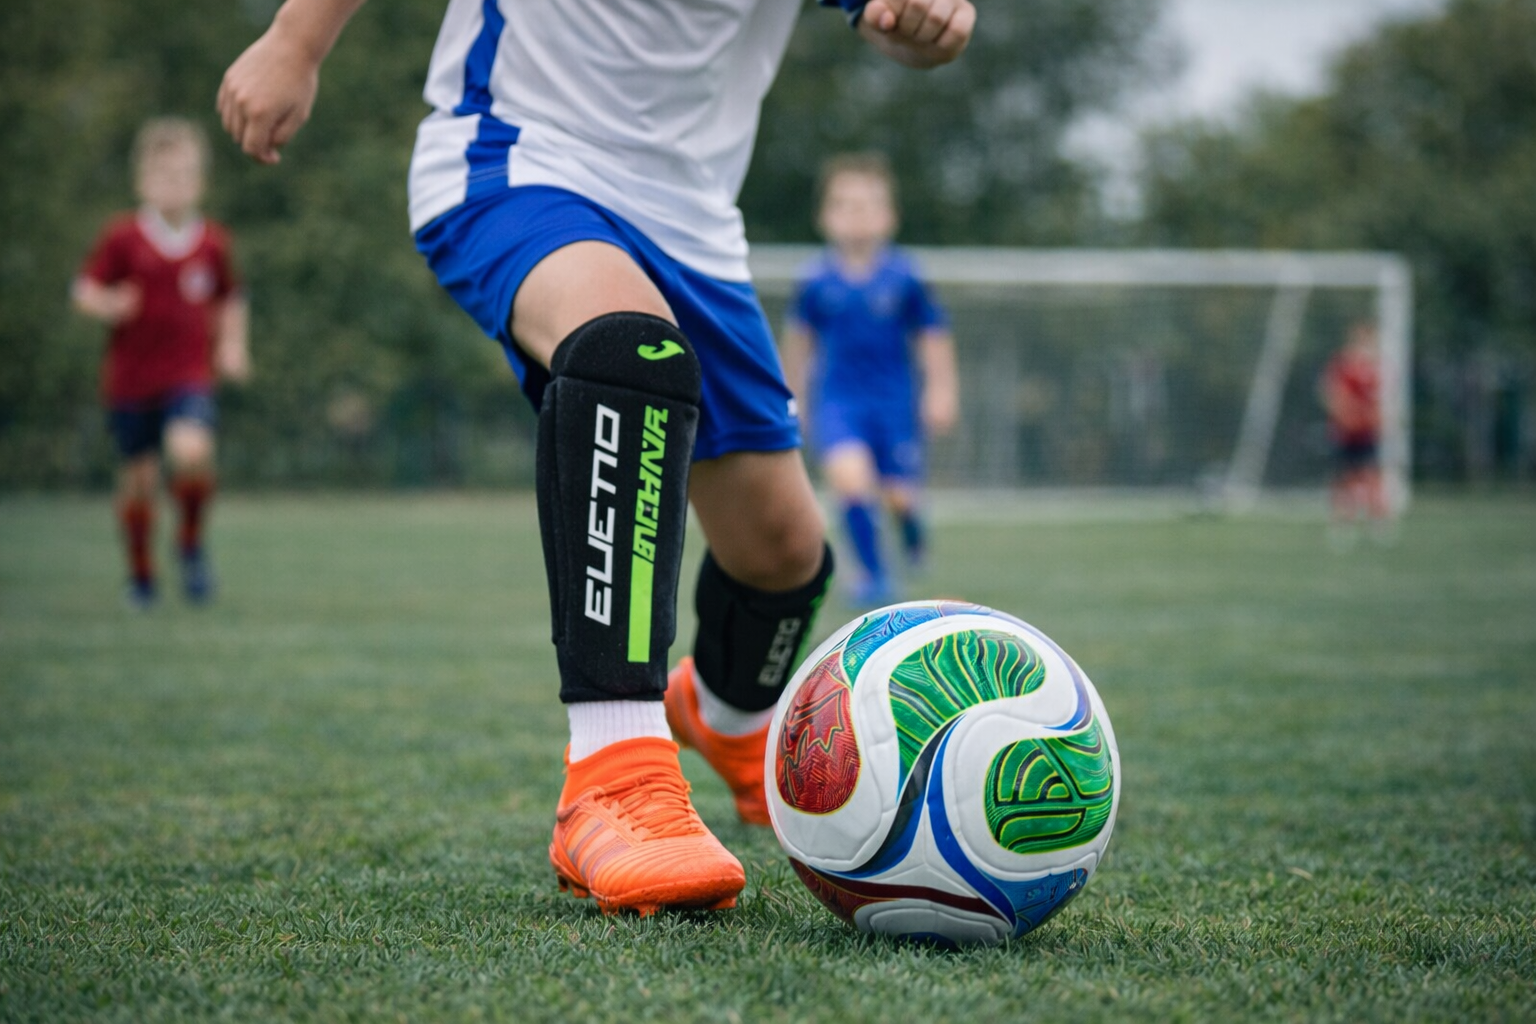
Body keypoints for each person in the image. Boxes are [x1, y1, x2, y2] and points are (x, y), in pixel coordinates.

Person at [218, 0, 974, 917]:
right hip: (521, 156)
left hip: (694, 219)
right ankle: (612, 778)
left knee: (783, 555)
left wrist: (926, 22)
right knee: (627, 352)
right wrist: (296, 42)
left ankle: (732, 725)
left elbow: (892, 22)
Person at [74, 118, 250, 608]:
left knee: (192, 453)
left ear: (200, 182)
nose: (173, 185)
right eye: (163, 175)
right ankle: (142, 575)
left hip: (189, 376)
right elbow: (83, 289)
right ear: (142, 182)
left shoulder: (213, 242)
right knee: (140, 481)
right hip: (130, 382)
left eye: (183, 175)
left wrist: (233, 347)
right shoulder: (123, 238)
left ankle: (191, 546)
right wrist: (108, 304)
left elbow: (231, 299)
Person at [781, 153, 958, 605]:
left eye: (868, 204)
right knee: (851, 481)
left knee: (898, 495)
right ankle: (873, 576)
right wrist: (789, 399)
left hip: (894, 403)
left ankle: (913, 531)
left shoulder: (905, 277)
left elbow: (932, 338)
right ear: (825, 217)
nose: (856, 215)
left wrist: (941, 391)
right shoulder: (816, 281)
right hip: (839, 401)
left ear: (889, 217)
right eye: (844, 204)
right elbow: (799, 344)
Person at [1319, 320, 1388, 544]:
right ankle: (1342, 524)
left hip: (1367, 433)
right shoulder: (1342, 366)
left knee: (1371, 477)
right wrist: (1347, 415)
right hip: (1345, 432)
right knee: (1343, 479)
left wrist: (1373, 418)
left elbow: (1379, 403)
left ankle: (1377, 523)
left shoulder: (1376, 368)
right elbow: (1332, 395)